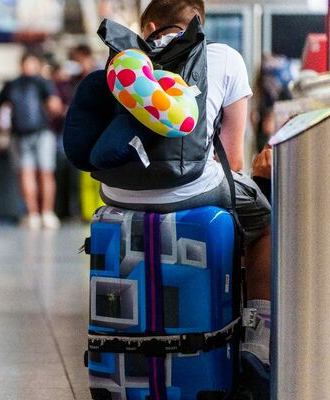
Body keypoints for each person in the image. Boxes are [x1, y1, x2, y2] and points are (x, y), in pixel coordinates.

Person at [92, 0, 273, 389]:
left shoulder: (124, 59)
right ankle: (257, 339)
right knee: (262, 221)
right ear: (199, 25)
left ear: (151, 25)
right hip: (192, 186)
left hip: (116, 193)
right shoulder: (224, 57)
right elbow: (234, 155)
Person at [0, 50, 63, 230]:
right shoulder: (43, 82)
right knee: (46, 173)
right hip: (42, 132)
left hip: (19, 134)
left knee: (26, 174)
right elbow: (54, 106)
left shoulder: (11, 84)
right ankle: (47, 213)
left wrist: (3, 128)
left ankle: (32, 214)